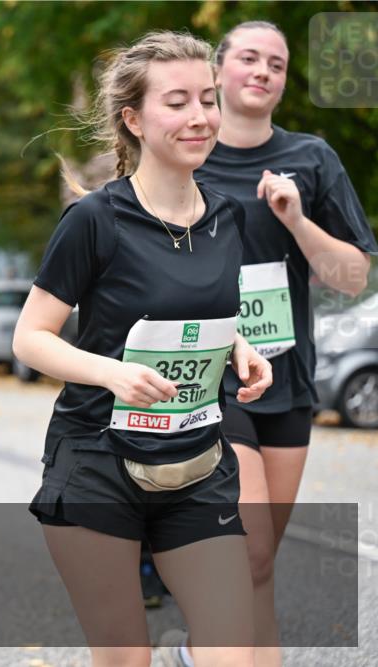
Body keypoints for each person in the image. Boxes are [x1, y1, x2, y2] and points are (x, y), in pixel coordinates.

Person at [12, 31, 273, 667]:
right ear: (133, 119)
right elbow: (31, 337)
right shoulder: (94, 219)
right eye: (177, 102)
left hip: (196, 461)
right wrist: (113, 375)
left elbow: (191, 309)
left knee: (233, 654)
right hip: (98, 461)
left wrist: (239, 344)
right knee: (126, 659)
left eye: (208, 100)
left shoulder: (228, 217)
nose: (199, 117)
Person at [151, 22, 378, 667]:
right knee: (246, 544)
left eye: (276, 63)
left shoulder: (311, 159)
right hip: (211, 377)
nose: (263, 71)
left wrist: (296, 219)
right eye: (248, 58)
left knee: (259, 561)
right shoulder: (190, 153)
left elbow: (351, 275)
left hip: (288, 376)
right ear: (218, 72)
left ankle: (198, 654)